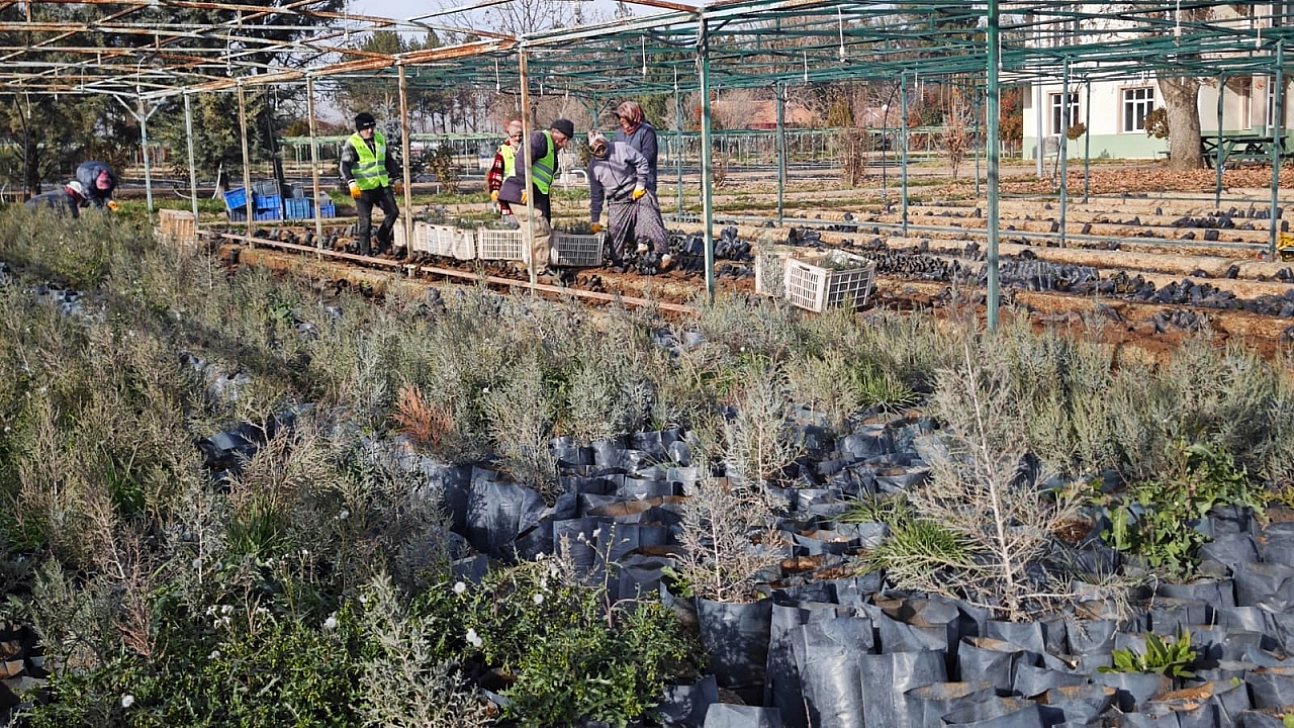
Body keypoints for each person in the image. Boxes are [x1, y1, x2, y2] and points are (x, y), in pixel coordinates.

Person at [497, 118, 574, 272]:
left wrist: (546, 217)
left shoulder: (551, 153)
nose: (564, 143)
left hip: (532, 196)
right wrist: (525, 188)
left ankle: (532, 266)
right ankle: (539, 271)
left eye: (567, 140)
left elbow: (543, 188)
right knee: (539, 231)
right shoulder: (540, 139)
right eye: (563, 138)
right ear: (553, 132)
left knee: (540, 229)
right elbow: (522, 162)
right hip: (521, 193)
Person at [587, 133, 670, 272]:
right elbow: (596, 196)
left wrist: (640, 184)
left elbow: (642, 162)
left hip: (636, 191)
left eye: (602, 147)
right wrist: (595, 220)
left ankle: (663, 253)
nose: (601, 151)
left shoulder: (621, 148)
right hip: (617, 200)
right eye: (597, 150)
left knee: (651, 220)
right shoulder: (594, 168)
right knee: (615, 232)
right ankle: (619, 263)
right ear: (592, 151)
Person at [340, 112, 401, 256]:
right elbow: (345, 166)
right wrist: (351, 183)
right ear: (360, 129)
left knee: (393, 212)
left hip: (381, 185)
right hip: (362, 189)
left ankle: (381, 237)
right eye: (367, 128)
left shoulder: (379, 139)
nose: (370, 131)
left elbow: (388, 160)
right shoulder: (353, 143)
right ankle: (365, 253)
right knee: (365, 222)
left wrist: (396, 178)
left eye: (372, 127)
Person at [612, 101, 658, 194]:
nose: (621, 120)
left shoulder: (647, 131)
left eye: (624, 117)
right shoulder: (620, 133)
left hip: (643, 181)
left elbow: (648, 155)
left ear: (632, 116)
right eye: (620, 117)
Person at [487, 120, 524, 222]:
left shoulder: (527, 150)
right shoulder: (503, 151)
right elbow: (495, 173)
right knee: (511, 224)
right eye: (514, 136)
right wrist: (495, 189)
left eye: (520, 135)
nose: (517, 138)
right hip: (508, 195)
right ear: (509, 135)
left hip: (524, 194)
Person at [25, 180, 89, 218]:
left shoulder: (61, 192)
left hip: (28, 205)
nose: (81, 200)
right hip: (34, 210)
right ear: (76, 194)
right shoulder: (69, 201)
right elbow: (74, 219)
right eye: (81, 197)